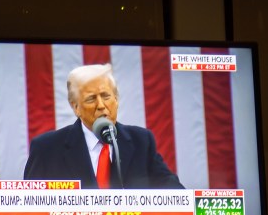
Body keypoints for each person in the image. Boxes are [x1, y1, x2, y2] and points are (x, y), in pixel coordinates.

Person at [23, 63, 184, 190]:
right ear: (76, 107)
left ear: (117, 100)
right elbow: (25, 211)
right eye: (91, 99)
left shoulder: (141, 142)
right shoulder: (47, 148)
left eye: (106, 96)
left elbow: (174, 193)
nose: (101, 105)